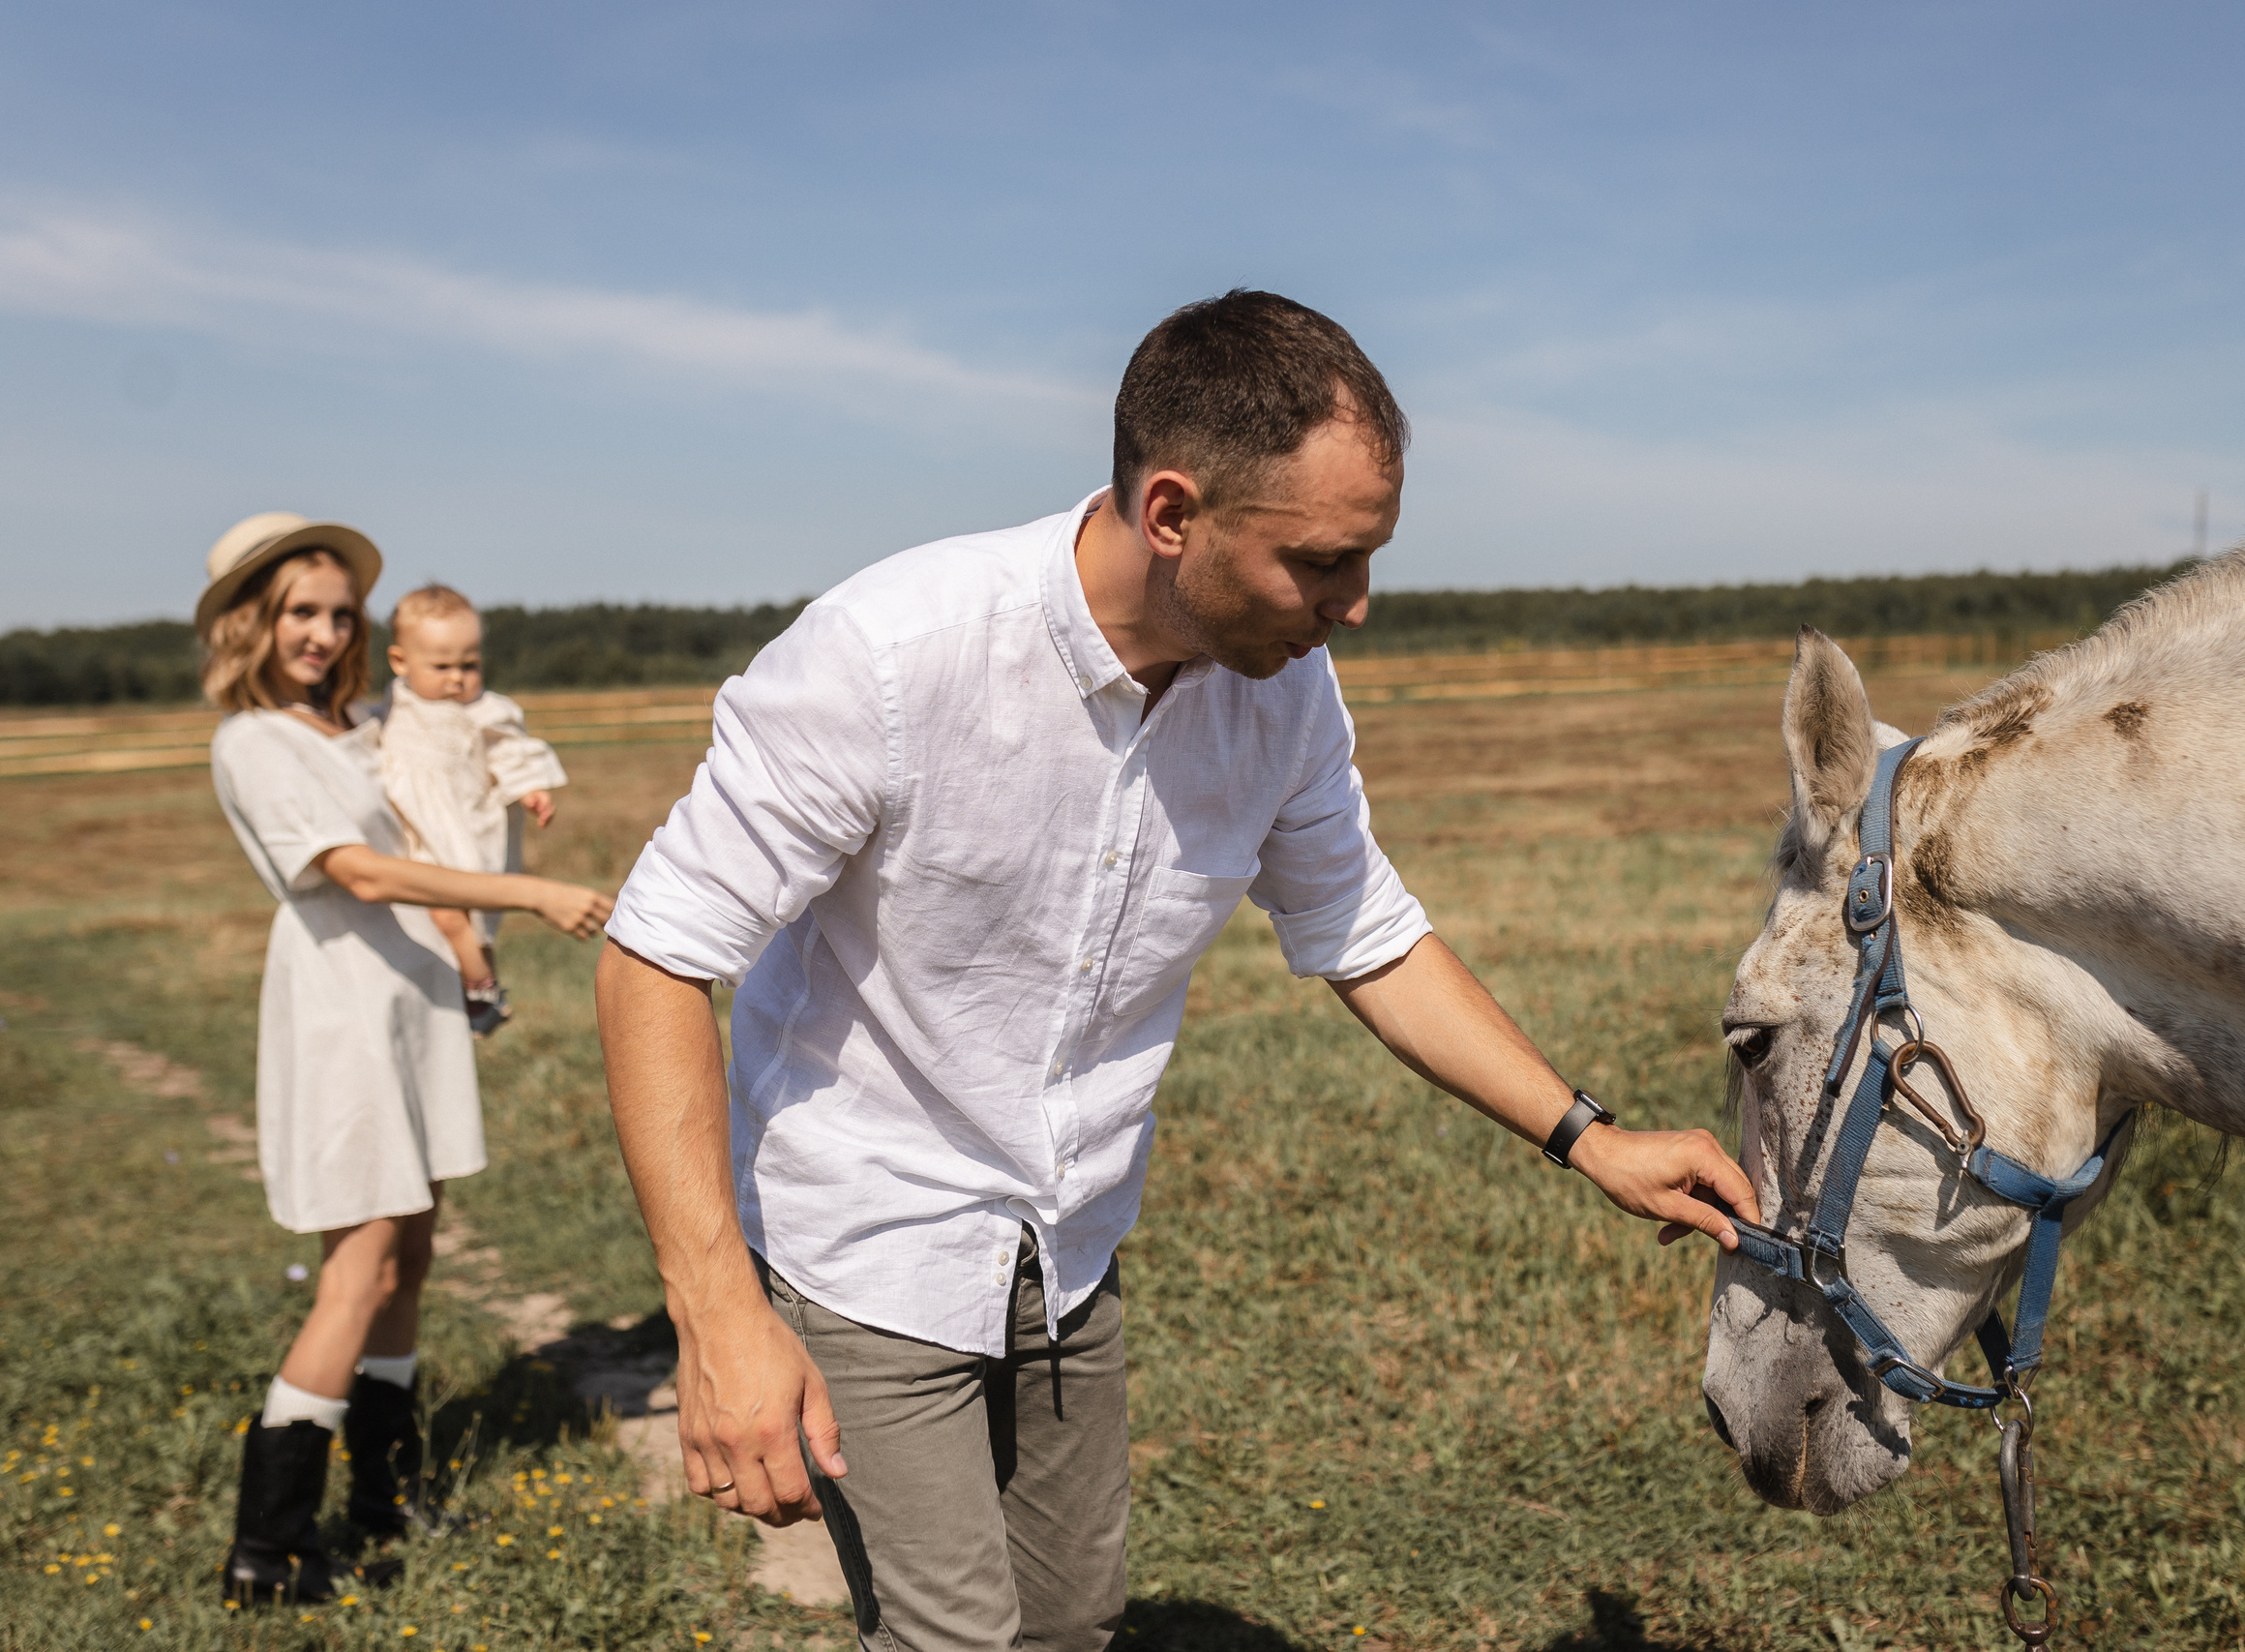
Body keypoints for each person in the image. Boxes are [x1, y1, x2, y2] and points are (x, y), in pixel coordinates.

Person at [595, 291, 1759, 1652]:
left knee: (1073, 1621)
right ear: (1170, 512)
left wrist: (1590, 1135)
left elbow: (1366, 930)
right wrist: (719, 1312)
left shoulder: (1283, 690)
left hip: (1067, 1241)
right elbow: (656, 953)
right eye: (1322, 563)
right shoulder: (892, 656)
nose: (1357, 606)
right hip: (867, 1235)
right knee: (957, 1636)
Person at [195, 513, 614, 1607]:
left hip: (413, 1004)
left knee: (414, 1255)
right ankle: (268, 1550)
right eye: (301, 612)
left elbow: (459, 741)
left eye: (340, 613)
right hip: (342, 1017)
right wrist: (529, 892)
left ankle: (388, 1500)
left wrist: (515, 774)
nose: (325, 633)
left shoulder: (362, 726)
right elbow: (363, 874)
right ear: (252, 623)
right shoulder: (253, 743)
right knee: (362, 1267)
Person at [379, 583, 570, 1036]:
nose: (456, 678)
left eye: (470, 665)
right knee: (444, 913)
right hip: (414, 825)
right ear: (400, 662)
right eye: (441, 666)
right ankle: (479, 984)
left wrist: (532, 789)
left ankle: (481, 988)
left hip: (461, 823)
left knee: (458, 912)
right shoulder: (393, 705)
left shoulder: (486, 710)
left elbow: (511, 752)